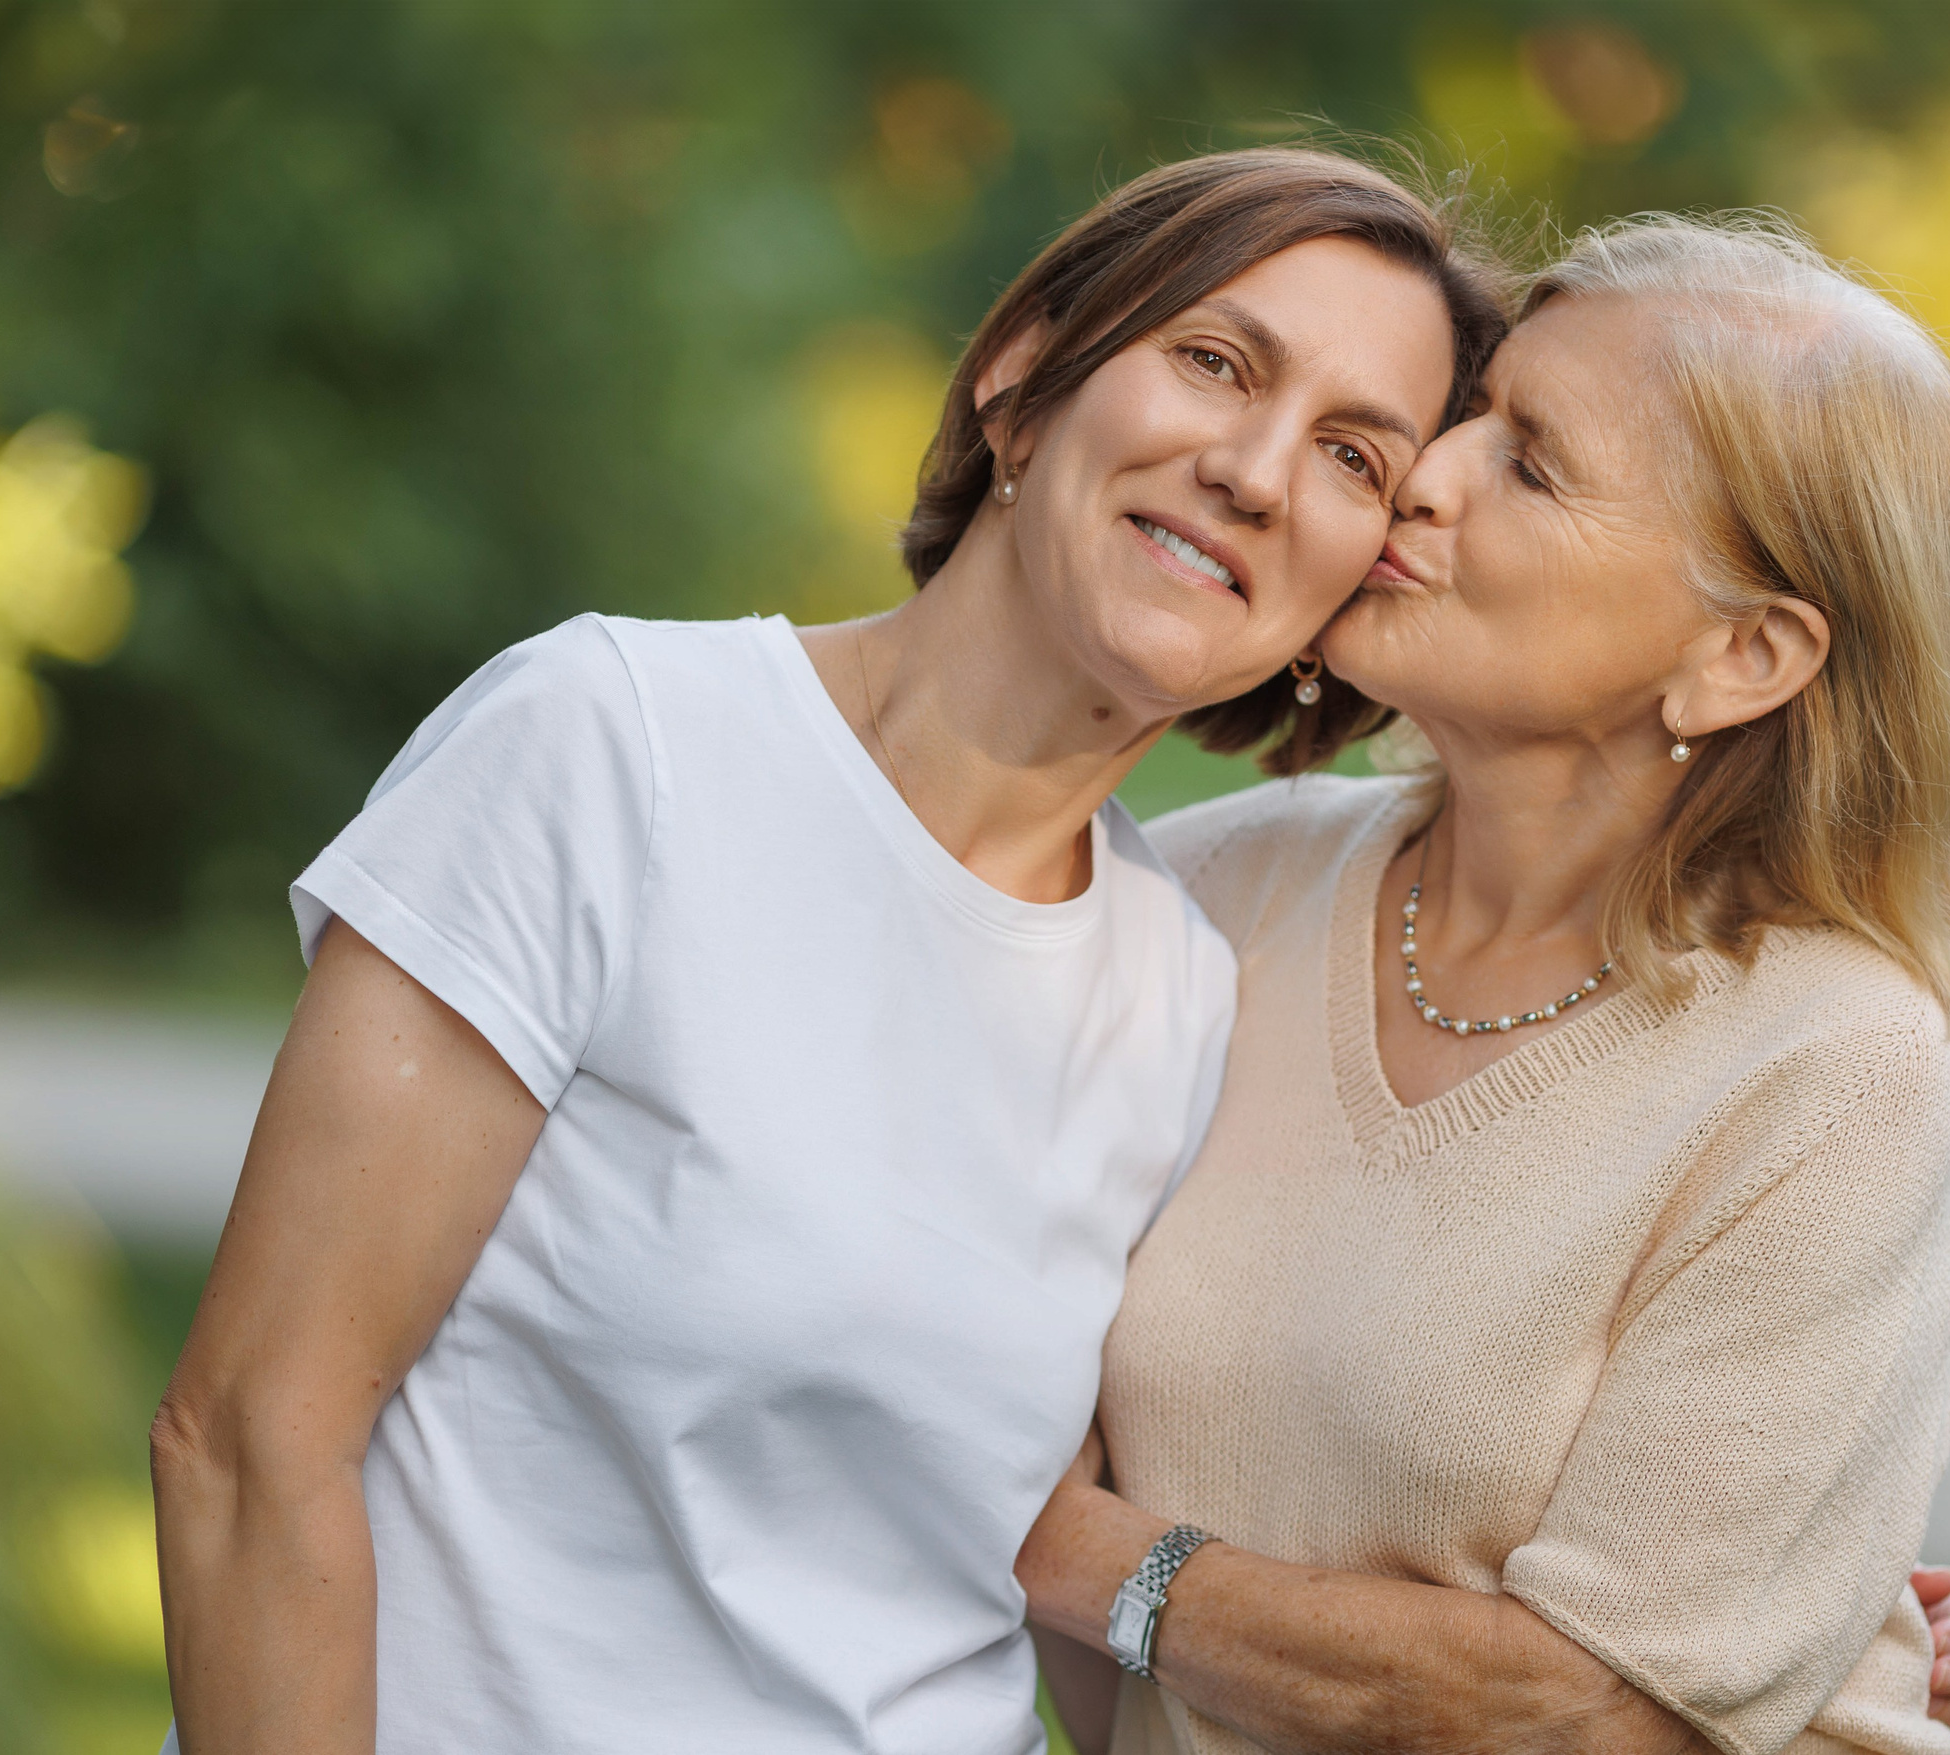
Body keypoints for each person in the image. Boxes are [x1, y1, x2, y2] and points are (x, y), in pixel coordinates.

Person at [147, 147, 1494, 1754]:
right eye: (1216, 362)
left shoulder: (1186, 993)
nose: (1260, 473)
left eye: (1356, 455)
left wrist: (1799, 1669)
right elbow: (248, 1439)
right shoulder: (615, 747)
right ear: (1021, 373)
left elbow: (1076, 1584)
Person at [1014, 214, 1950, 1755]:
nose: (1424, 470)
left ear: (1743, 655)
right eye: (1477, 410)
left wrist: (1080, 1559)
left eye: (1534, 463)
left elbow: (1591, 1709)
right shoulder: (1204, 895)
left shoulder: (1833, 1065)